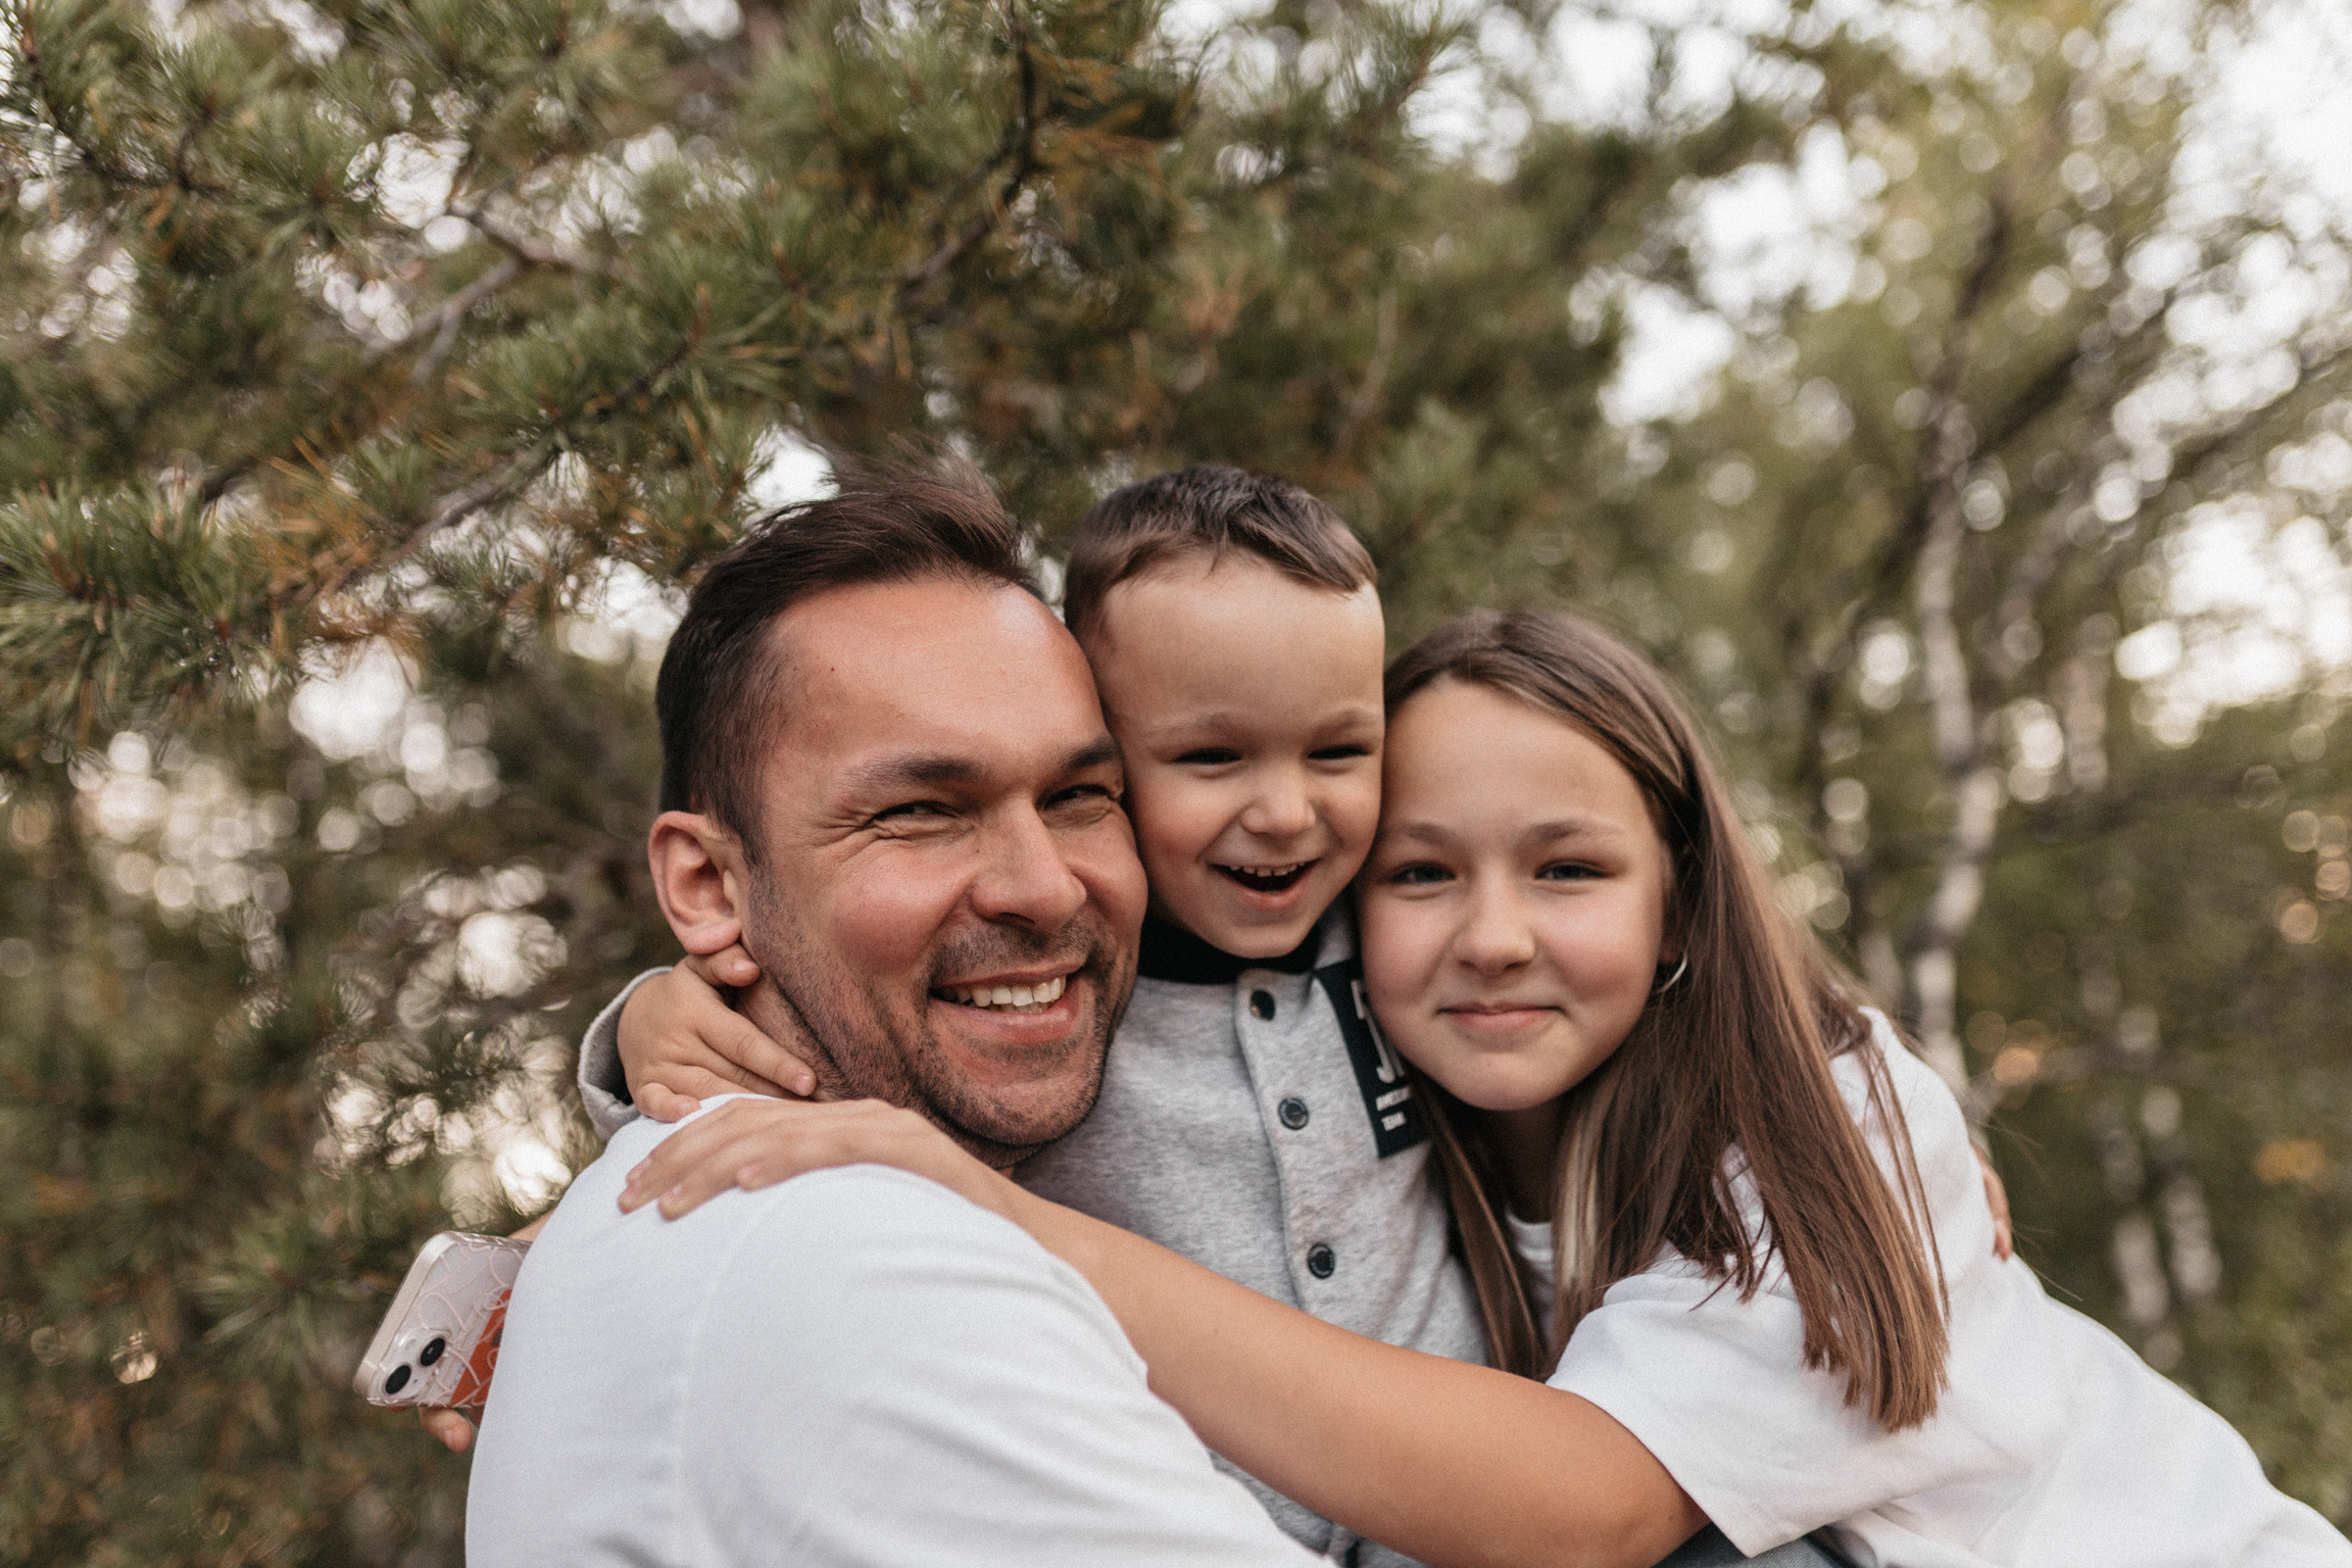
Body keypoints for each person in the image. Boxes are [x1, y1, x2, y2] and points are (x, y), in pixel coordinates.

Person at [628, 606, 2351, 1567]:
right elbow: (986, 1002)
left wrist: (1000, 1229)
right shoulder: (1373, 1064)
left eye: (1572, 873)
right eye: (1423, 874)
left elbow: (1584, 1509)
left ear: (1678, 892)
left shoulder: (1829, 1116)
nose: (1494, 940)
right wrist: (659, 1013)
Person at [565, 466, 1494, 1565]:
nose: (1046, 888)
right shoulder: (814, 1240)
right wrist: (643, 1036)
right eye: (920, 811)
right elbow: (721, 1119)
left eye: (1073, 796)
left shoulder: (1392, 938)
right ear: (710, 890)